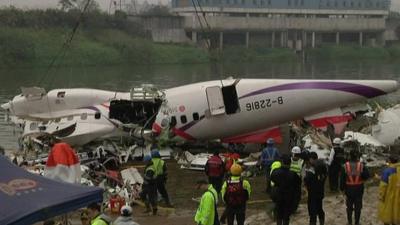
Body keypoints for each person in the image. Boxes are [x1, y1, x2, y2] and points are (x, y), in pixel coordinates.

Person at [340, 148, 370, 225]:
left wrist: (342, 189)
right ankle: (357, 222)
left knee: (349, 207)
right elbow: (367, 176)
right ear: (357, 157)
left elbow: (342, 179)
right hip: (359, 189)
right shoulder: (361, 165)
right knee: (358, 207)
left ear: (349, 156)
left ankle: (350, 222)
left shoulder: (345, 166)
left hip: (349, 189)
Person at [271, 154, 301, 225]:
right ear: (290, 163)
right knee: (286, 215)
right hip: (288, 196)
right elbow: (298, 183)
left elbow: (272, 179)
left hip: (278, 195)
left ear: (282, 162)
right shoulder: (293, 174)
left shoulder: (276, 172)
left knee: (279, 214)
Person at [304, 152, 328, 225]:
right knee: (320, 209)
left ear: (311, 159)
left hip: (312, 193)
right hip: (320, 191)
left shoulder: (312, 168)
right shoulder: (323, 166)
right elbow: (324, 176)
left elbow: (307, 179)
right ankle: (322, 222)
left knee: (312, 212)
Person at [378, 154, 400, 225]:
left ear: (390, 161)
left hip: (389, 196)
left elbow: (383, 186)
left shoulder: (387, 171)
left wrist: (381, 196)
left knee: (387, 215)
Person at [290, 146, 303, 213]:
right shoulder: (289, 160)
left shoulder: (302, 162)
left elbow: (303, 174)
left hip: (297, 182)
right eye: (295, 155)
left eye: (297, 155)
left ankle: (294, 209)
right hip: (289, 182)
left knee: (297, 197)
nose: (296, 156)